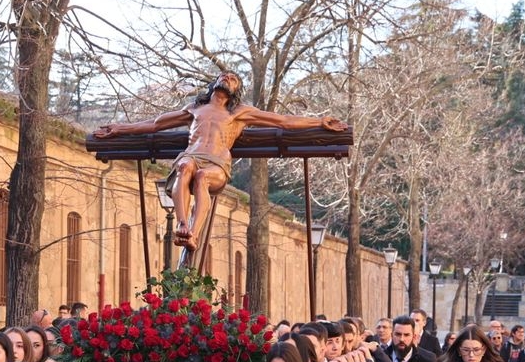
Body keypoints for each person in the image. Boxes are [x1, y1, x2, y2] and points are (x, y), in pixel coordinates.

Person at [95, 71, 345, 252]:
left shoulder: (239, 112)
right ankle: (183, 224)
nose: (228, 78)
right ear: (215, 83)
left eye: (233, 79)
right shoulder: (194, 108)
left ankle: (193, 231)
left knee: (202, 177)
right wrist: (118, 128)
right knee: (184, 166)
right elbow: (154, 124)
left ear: (236, 90)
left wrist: (319, 122)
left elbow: (283, 121)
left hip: (216, 161)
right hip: (192, 154)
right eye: (225, 76)